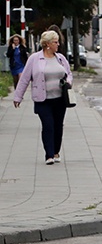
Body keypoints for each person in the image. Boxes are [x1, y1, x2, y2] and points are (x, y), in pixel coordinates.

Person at [13, 30, 73, 165]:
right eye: (55, 42)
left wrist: (68, 81)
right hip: (43, 99)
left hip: (60, 99)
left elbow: (68, 73)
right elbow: (25, 79)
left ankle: (56, 151)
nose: (58, 45)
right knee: (48, 125)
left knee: (58, 126)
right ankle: (49, 155)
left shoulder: (60, 58)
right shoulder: (34, 59)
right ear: (47, 44)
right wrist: (18, 97)